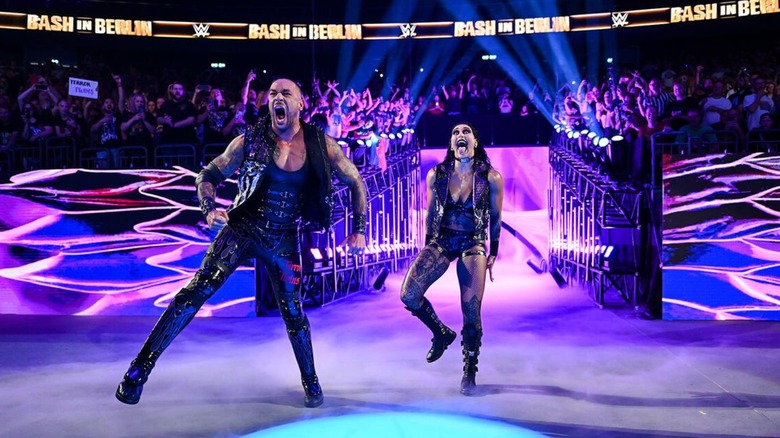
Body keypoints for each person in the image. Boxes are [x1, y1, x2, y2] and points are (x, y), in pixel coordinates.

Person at [115, 78, 368, 408]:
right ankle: (138, 371)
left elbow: (356, 180)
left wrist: (359, 228)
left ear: (301, 103)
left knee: (294, 314)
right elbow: (207, 175)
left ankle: (311, 381)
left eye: (285, 93)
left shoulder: (322, 145)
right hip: (242, 228)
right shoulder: (250, 139)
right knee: (195, 292)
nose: (277, 97)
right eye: (272, 94)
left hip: (283, 238)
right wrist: (209, 208)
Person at [399, 122, 504, 396]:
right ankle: (441, 333)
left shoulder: (491, 177)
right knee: (409, 294)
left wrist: (494, 251)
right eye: (455, 132)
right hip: (443, 239)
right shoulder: (437, 174)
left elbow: (495, 217)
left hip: (473, 241)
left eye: (466, 131)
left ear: (475, 142)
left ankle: (469, 369)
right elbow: (431, 213)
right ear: (450, 144)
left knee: (471, 310)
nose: (460, 135)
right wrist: (426, 248)